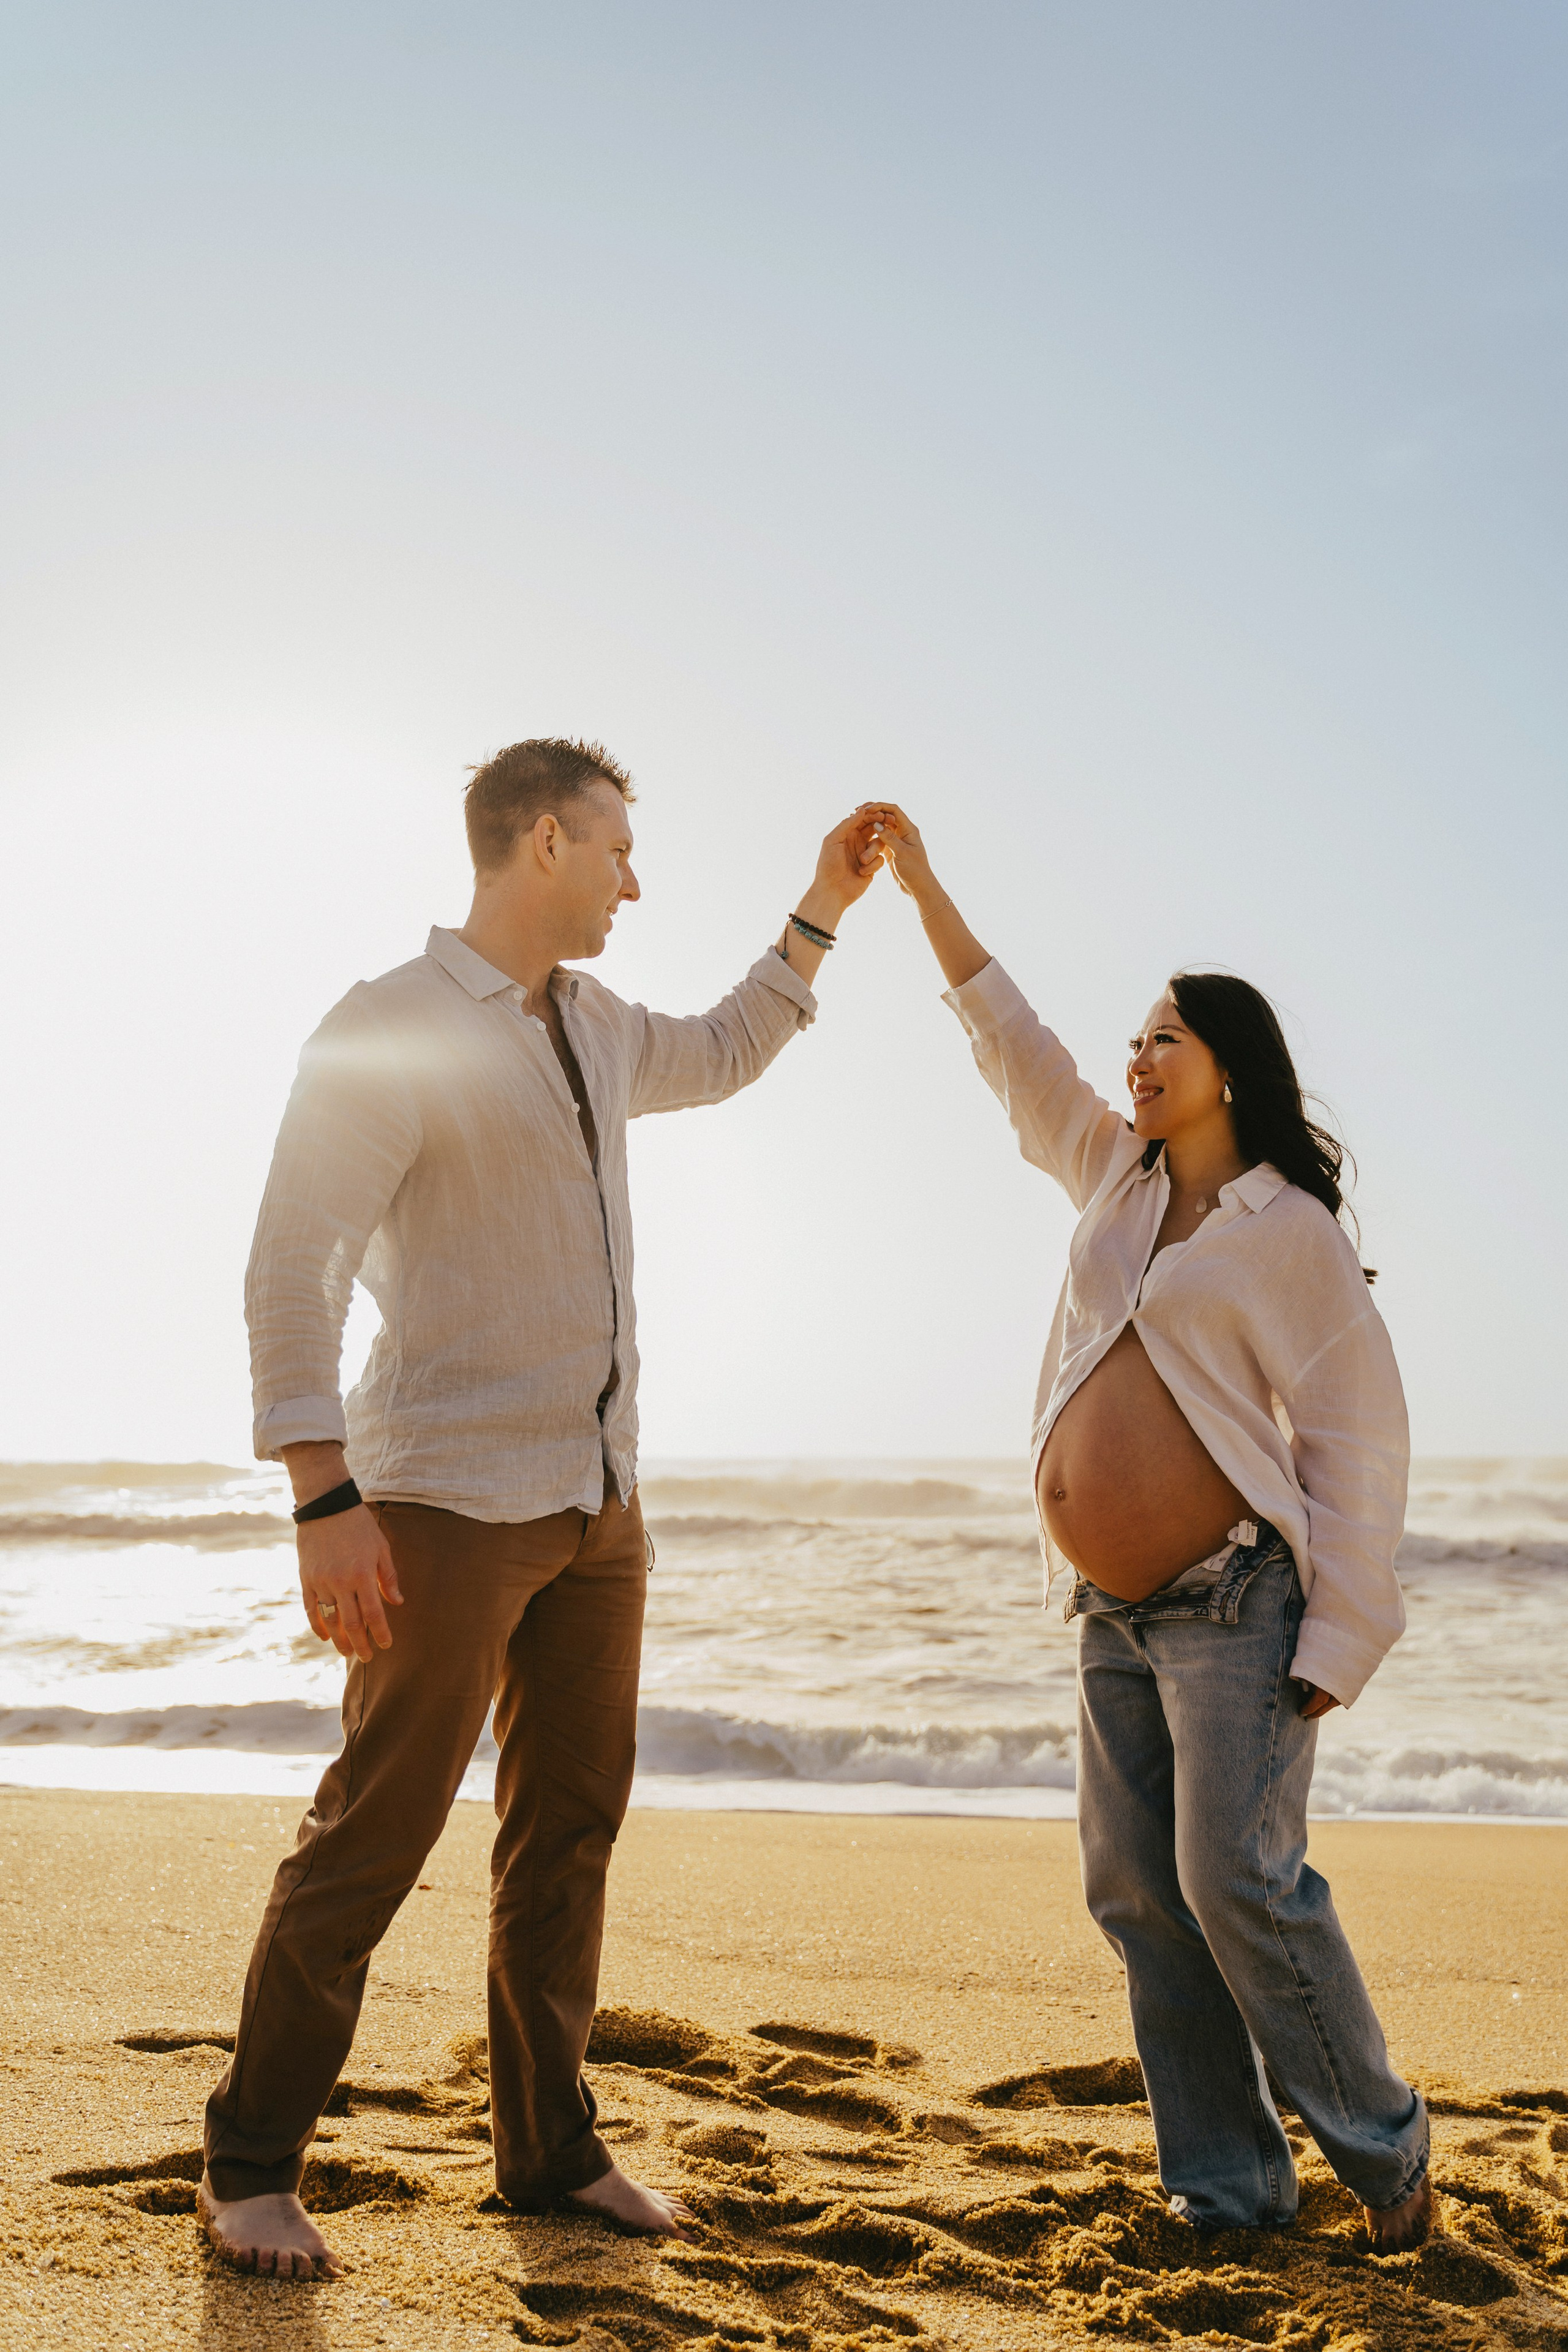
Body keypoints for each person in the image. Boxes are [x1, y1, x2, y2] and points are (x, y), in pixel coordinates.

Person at [200, 738, 883, 2280]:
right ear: (546, 842)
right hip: (438, 1498)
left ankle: (546, 2149)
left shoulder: (597, 1024)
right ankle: (250, 2164)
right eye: (621, 851)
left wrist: (821, 909)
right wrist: (325, 1496)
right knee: (372, 1832)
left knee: (567, 1832)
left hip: (597, 1506)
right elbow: (289, 1263)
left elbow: (725, 1043)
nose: (637, 880)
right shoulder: (390, 1027)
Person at [865, 801, 1430, 2253]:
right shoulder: (1109, 1181)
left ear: (1227, 1068)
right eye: (1134, 1041)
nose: (1134, 1059)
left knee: (1232, 1881)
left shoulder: (1286, 1235)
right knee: (1137, 1893)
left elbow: (1355, 1435)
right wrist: (920, 884)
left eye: (1162, 1040)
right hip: (1105, 1612)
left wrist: (1343, 1627)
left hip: (1237, 1606)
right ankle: (1229, 2190)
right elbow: (1008, 1040)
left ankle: (1384, 2153)